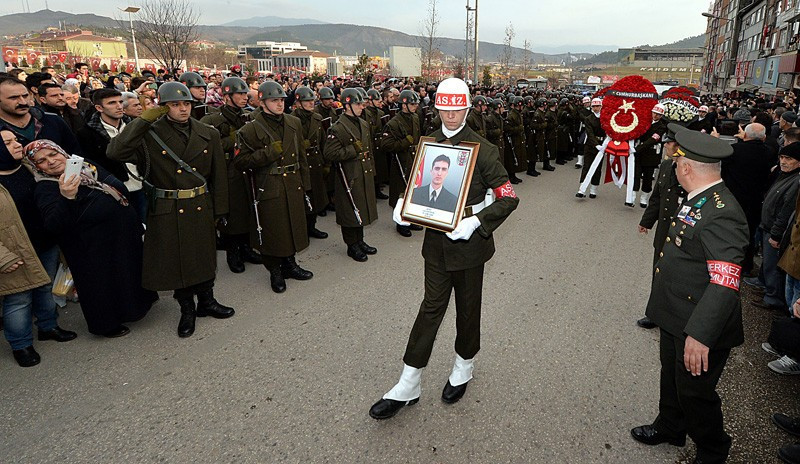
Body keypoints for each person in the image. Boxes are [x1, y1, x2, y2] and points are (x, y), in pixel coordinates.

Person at [369, 78, 519, 420]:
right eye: (444, 108)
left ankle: (463, 366)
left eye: (457, 108)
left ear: (467, 108)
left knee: (468, 310)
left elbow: (509, 197)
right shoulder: (429, 144)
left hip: (469, 245)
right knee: (430, 309)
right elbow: (421, 186)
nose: (451, 115)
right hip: (436, 245)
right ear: (436, 108)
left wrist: (477, 222)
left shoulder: (484, 149)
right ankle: (409, 383)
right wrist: (404, 205)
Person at [631, 129, 748, 464]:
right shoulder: (700, 197)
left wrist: (700, 334)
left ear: (685, 169)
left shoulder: (721, 212)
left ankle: (713, 449)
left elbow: (725, 283)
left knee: (696, 393)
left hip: (698, 324)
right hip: (675, 315)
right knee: (672, 377)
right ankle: (670, 426)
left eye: (677, 162)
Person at [107, 81, 234, 338]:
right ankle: (187, 308)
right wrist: (142, 121)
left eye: (186, 103)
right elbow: (115, 152)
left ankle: (207, 302)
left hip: (199, 203)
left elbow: (218, 175)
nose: (182, 109)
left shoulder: (207, 133)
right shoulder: (150, 133)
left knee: (204, 256)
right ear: (163, 108)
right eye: (175, 105)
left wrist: (220, 210)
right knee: (178, 261)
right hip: (168, 206)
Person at [25, 139, 155, 337]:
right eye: (41, 160)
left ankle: (135, 309)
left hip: (119, 236)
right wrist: (67, 196)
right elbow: (54, 224)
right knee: (99, 287)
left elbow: (115, 185)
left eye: (53, 154)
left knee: (127, 273)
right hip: (88, 247)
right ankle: (106, 325)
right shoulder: (46, 187)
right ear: (36, 167)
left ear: (62, 152)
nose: (51, 161)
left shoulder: (85, 166)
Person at [0, 129, 76, 367]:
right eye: (8, 142)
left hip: (44, 242)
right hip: (15, 253)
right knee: (18, 299)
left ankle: (48, 326)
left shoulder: (29, 166)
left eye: (15, 139)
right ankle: (21, 345)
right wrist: (2, 257)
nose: (17, 144)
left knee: (46, 286)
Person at [234, 81, 313, 293]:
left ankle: (290, 264)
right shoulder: (250, 127)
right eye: (274, 100)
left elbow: (302, 157)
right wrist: (268, 153)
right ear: (262, 102)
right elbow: (240, 161)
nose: (279, 104)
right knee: (272, 229)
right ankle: (275, 270)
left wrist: (305, 184)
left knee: (292, 225)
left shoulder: (293, 122)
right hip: (268, 184)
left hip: (292, 182)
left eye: (281, 100)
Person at [201, 76, 264, 273]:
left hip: (248, 168)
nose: (245, 97)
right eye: (240, 94)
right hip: (227, 172)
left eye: (246, 94)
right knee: (231, 214)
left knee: (248, 211)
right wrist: (232, 140)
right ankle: (233, 253)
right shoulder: (212, 119)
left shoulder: (250, 116)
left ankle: (246, 248)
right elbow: (206, 148)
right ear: (227, 96)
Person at [636, 123, 688, 329]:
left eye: (668, 143)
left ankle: (676, 314)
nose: (665, 146)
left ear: (677, 146)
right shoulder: (667, 166)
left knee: (678, 273)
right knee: (659, 269)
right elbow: (657, 197)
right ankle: (656, 313)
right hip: (664, 230)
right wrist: (646, 221)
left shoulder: (689, 169)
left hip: (683, 232)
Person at [323, 88, 379, 262]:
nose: (361, 107)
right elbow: (329, 154)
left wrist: (372, 171)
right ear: (347, 105)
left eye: (362, 103)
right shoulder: (338, 128)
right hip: (348, 174)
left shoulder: (362, 123)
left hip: (363, 171)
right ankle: (351, 245)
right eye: (357, 104)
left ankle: (359, 240)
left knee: (361, 206)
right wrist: (351, 150)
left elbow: (368, 149)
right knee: (349, 209)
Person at [744, 142, 800, 311]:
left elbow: (786, 211)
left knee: (773, 266)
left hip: (775, 231)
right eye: (782, 157)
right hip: (767, 226)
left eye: (788, 158)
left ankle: (772, 298)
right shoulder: (784, 174)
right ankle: (766, 288)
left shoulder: (796, 181)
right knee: (768, 264)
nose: (783, 161)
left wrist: (776, 234)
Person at [722, 122, 774, 275]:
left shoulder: (735, 150)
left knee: (728, 230)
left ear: (745, 135)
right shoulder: (769, 152)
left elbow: (723, 170)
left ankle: (727, 262)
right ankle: (745, 266)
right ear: (764, 137)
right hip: (756, 200)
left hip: (733, 197)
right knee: (749, 234)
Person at [0, 76, 81, 156]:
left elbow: (76, 154)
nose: (23, 102)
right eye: (13, 98)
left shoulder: (53, 121)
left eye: (25, 96)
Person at [381, 89, 422, 238]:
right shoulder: (394, 123)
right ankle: (401, 222)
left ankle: (410, 218)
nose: (415, 106)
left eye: (416, 104)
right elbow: (385, 144)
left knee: (413, 191)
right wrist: (405, 142)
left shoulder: (415, 117)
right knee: (401, 193)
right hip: (401, 160)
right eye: (412, 104)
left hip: (413, 158)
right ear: (404, 105)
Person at [292, 85, 330, 240]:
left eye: (312, 100)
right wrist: (301, 145)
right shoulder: (292, 120)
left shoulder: (317, 118)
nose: (311, 103)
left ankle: (312, 226)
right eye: (307, 101)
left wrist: (326, 162)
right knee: (302, 198)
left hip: (315, 161)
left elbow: (323, 142)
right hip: (301, 162)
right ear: (299, 103)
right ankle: (302, 230)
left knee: (315, 196)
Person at [633, 103, 668, 208]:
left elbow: (653, 139)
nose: (655, 116)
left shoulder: (662, 126)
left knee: (648, 177)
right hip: (639, 153)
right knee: (636, 175)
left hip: (651, 154)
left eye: (658, 114)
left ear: (661, 116)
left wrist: (637, 148)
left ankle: (644, 197)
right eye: (654, 113)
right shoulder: (644, 122)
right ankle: (632, 196)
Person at [577, 98, 605, 199]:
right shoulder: (589, 118)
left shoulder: (606, 118)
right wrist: (596, 144)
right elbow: (590, 133)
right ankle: (582, 188)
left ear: (601, 106)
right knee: (587, 166)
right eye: (593, 106)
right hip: (590, 144)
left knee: (598, 168)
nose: (595, 108)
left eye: (597, 106)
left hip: (603, 144)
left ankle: (594, 189)